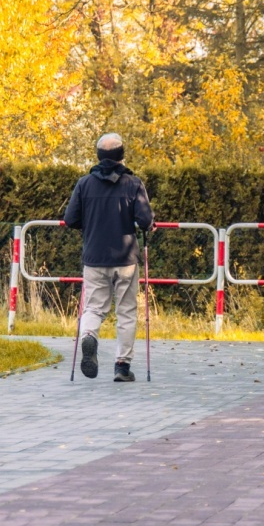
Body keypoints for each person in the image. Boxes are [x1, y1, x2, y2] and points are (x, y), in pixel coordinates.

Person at [63, 133, 154, 382]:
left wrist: (88, 223)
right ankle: (122, 367)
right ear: (121, 156)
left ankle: (89, 336)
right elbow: (146, 221)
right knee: (126, 311)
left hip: (94, 257)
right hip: (125, 259)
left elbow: (70, 219)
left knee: (93, 307)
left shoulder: (84, 184)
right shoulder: (134, 184)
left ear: (98, 156)